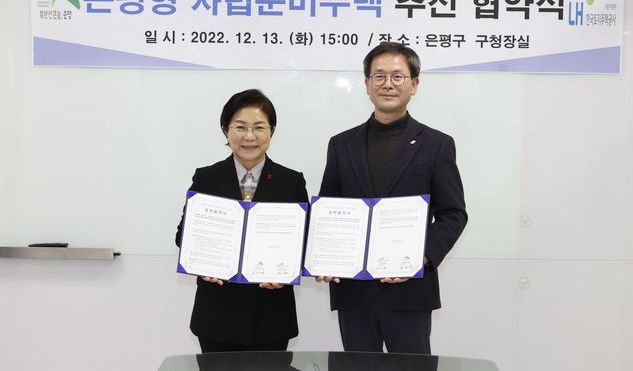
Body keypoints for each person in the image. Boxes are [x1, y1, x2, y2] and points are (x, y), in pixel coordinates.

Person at [317, 42, 468, 354]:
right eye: (379, 76)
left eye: (398, 76)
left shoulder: (437, 145)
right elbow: (329, 210)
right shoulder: (341, 145)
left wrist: (419, 258)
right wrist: (325, 256)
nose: (388, 84)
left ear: (414, 84)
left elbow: (453, 214)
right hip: (353, 290)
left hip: (409, 289)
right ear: (366, 84)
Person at [175, 89, 309, 353]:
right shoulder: (206, 178)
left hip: (272, 316)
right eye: (240, 127)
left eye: (259, 127)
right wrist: (202, 263)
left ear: (271, 131)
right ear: (225, 130)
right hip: (217, 315)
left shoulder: (291, 181)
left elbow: (303, 241)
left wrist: (286, 271)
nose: (249, 136)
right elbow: (184, 235)